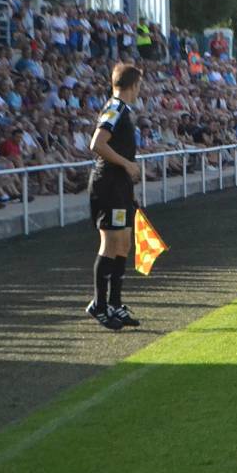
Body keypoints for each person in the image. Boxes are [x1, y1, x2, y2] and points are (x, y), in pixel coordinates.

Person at [87, 63, 143, 330]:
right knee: (110, 244)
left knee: (124, 244)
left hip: (120, 185)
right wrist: (127, 164)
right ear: (134, 85)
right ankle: (98, 305)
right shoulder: (115, 108)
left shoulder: (124, 110)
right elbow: (97, 144)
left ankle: (116, 303)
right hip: (108, 184)